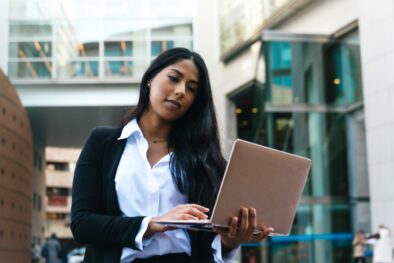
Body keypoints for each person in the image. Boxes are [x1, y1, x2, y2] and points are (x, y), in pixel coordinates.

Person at [70, 47, 273, 263]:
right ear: (150, 78)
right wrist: (152, 224)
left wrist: (231, 239)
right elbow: (82, 224)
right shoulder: (103, 143)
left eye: (192, 88)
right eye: (174, 78)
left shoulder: (204, 158)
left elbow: (207, 239)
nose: (181, 91)